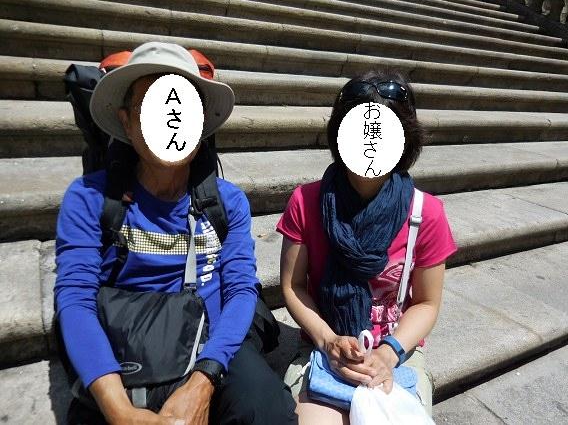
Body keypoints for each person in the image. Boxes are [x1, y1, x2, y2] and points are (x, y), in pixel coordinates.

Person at [54, 42, 297, 425]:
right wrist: (118, 409)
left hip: (207, 342)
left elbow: (240, 290)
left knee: (268, 410)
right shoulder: (88, 198)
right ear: (126, 121)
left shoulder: (227, 202)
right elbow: (75, 299)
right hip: (124, 346)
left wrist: (204, 379)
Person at [276, 69, 458, 423]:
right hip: (324, 344)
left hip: (397, 350)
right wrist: (329, 341)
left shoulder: (426, 213)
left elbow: (426, 303)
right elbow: (293, 286)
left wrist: (389, 352)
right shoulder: (306, 202)